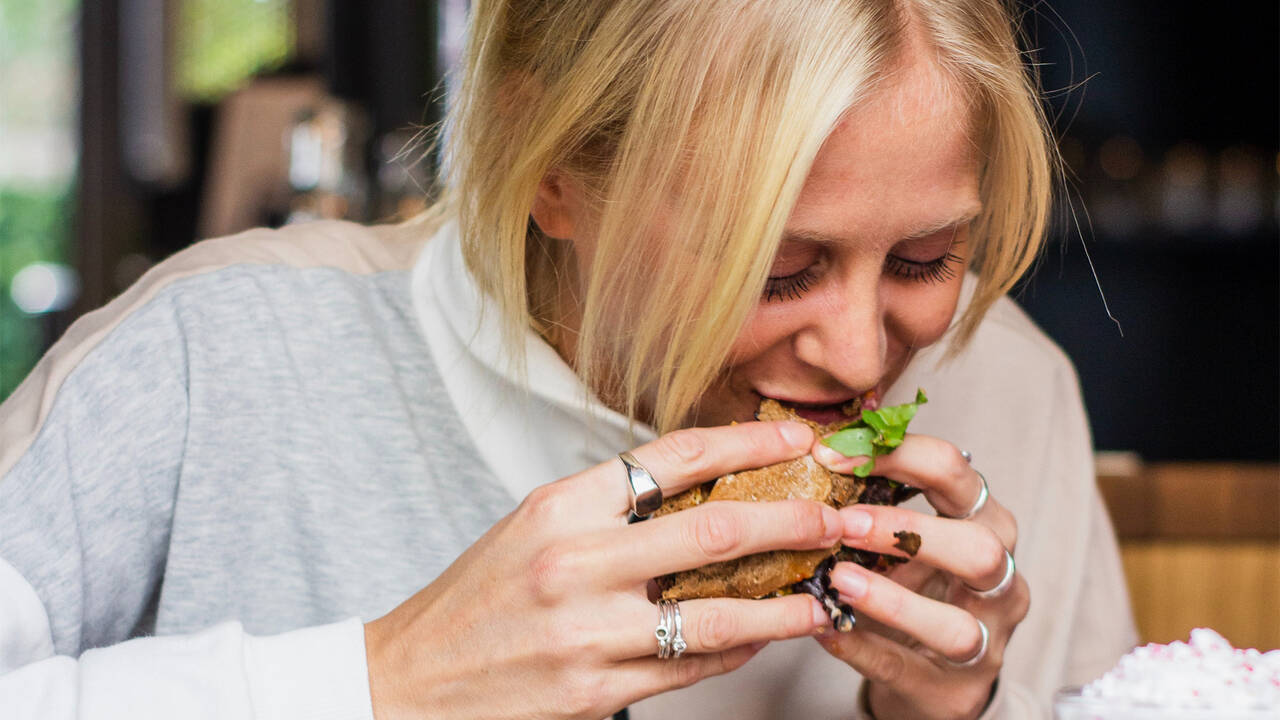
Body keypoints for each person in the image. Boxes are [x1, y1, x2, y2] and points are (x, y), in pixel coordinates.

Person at [0, 0, 1137, 718]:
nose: (856, 353)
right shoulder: (217, 356)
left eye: (926, 260)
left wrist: (962, 711)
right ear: (551, 168)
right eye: (775, 267)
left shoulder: (1014, 390)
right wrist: (382, 683)